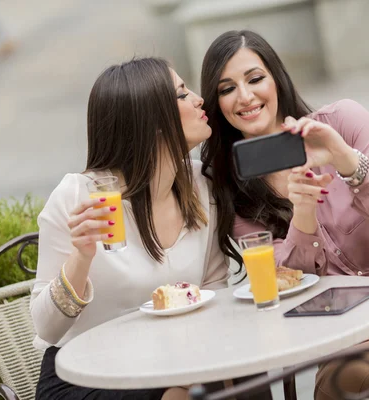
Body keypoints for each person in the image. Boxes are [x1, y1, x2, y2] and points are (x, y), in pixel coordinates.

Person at [199, 30, 369, 399]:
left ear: (277, 78)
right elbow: (279, 284)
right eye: (227, 88)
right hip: (342, 329)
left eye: (255, 79)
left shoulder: (342, 121)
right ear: (217, 101)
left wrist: (344, 158)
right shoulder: (232, 186)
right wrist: (302, 213)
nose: (245, 96)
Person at [30, 57, 262, 400]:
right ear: (153, 121)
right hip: (88, 375)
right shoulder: (79, 197)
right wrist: (81, 259)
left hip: (173, 360)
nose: (200, 99)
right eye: (182, 94)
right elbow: (47, 329)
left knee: (246, 372)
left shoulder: (201, 185)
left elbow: (214, 288)